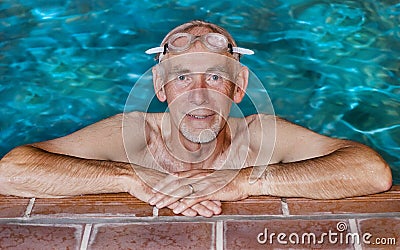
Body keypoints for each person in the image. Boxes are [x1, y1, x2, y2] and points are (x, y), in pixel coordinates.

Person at [0, 20, 392, 217]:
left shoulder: (260, 135)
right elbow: (11, 170)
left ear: (238, 89)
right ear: (160, 87)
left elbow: (372, 172)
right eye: (182, 77)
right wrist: (128, 177)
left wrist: (246, 183)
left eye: (216, 77)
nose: (199, 93)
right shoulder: (132, 132)